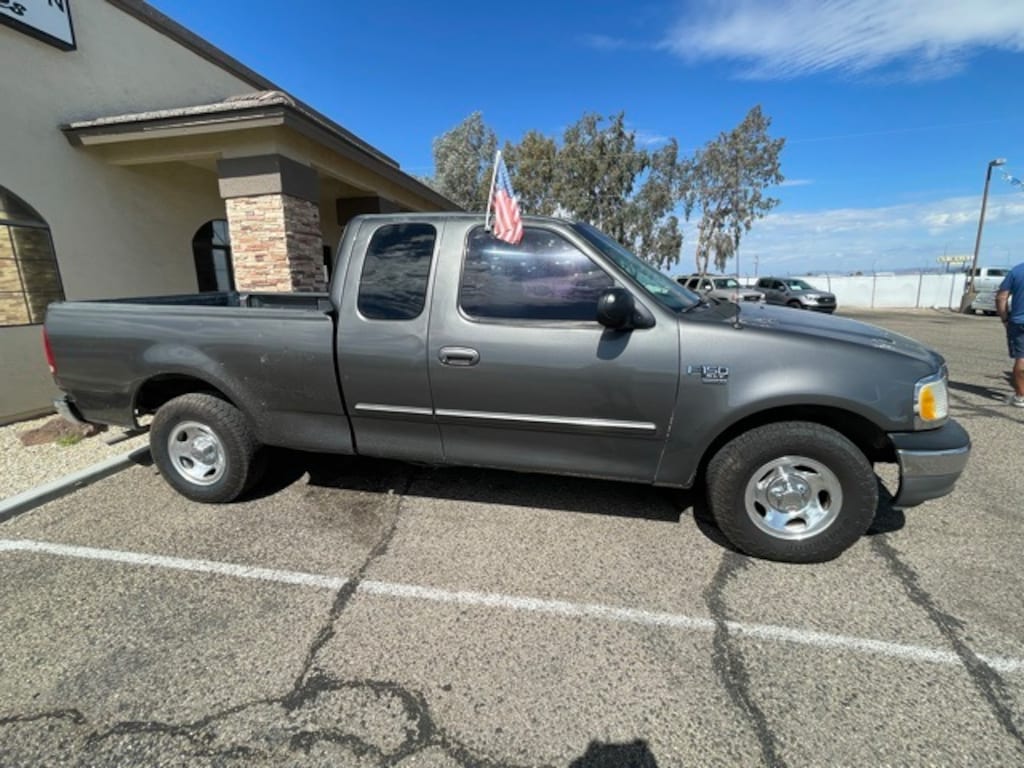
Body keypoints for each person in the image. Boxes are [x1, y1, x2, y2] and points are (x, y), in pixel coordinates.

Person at [996, 260, 1024, 407]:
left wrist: (1005, 318)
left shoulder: (1017, 271)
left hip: (1019, 322)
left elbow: (1001, 297)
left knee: (1022, 358)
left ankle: (1021, 397)